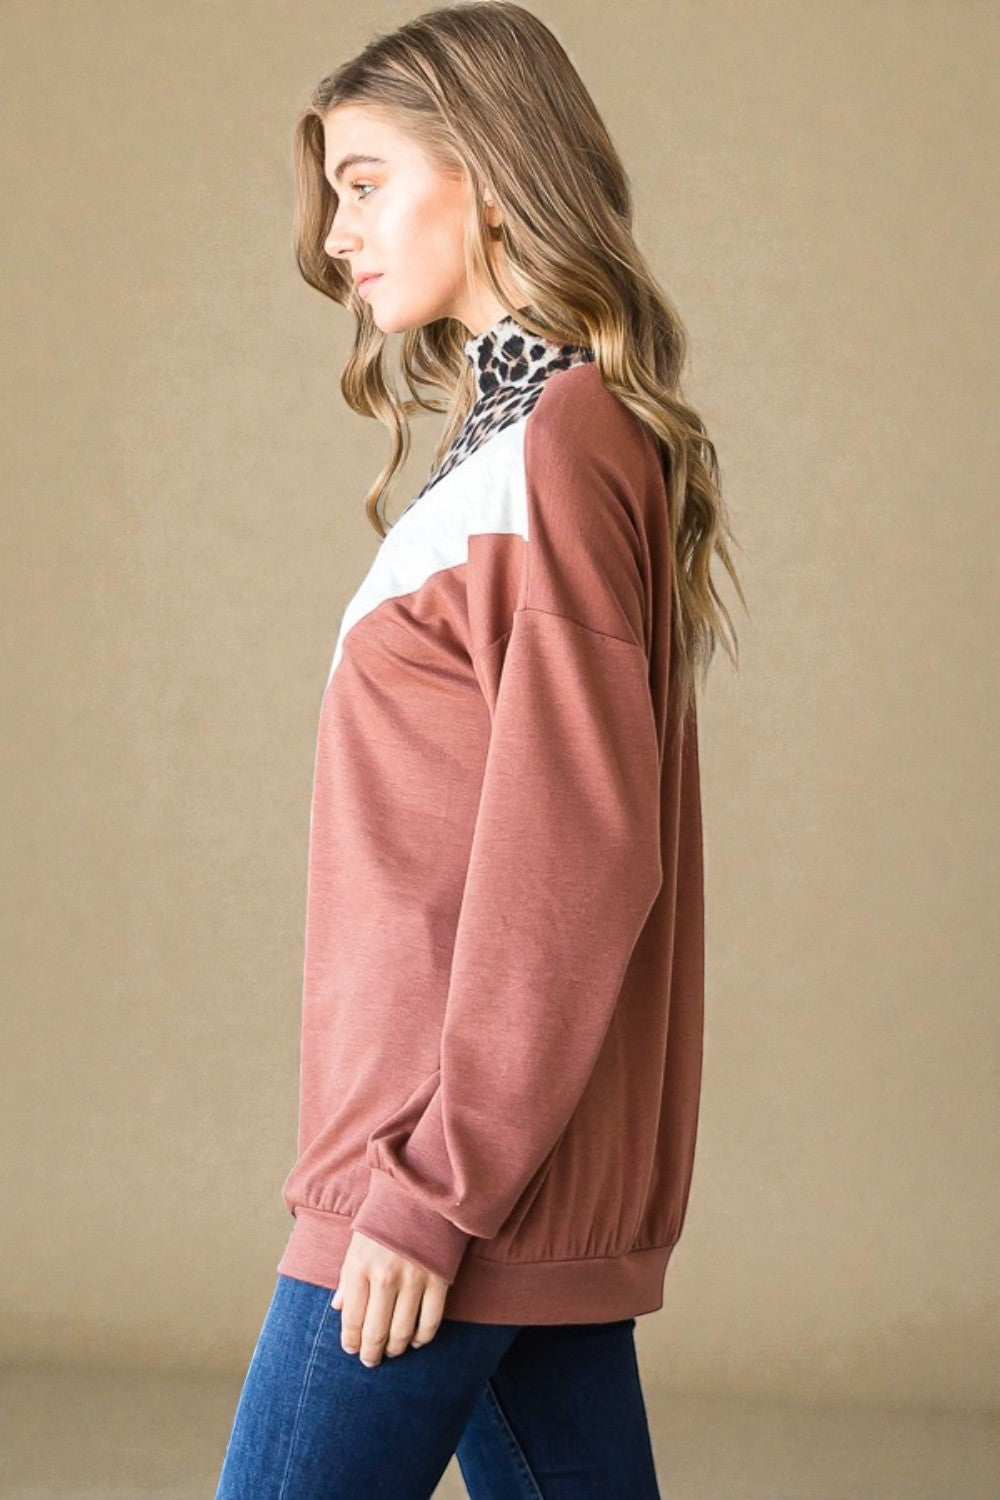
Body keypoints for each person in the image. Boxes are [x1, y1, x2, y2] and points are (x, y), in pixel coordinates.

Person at [215, 3, 745, 1496]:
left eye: (368, 182)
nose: (336, 235)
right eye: (335, 192)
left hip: (435, 1162)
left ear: (493, 176)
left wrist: (427, 1190)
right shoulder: (517, 440)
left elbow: (580, 855)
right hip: (491, 1158)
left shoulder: (561, 446)